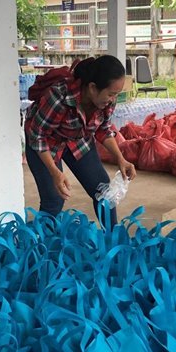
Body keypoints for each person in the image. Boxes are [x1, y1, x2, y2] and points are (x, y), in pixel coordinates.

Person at [24, 55, 136, 226]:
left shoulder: (106, 101)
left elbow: (103, 130)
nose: (113, 100)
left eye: (116, 94)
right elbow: (38, 136)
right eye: (111, 94)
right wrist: (54, 172)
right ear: (92, 88)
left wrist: (121, 159)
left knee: (104, 192)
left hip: (77, 139)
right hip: (45, 141)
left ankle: (112, 238)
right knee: (54, 199)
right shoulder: (59, 96)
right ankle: (41, 240)